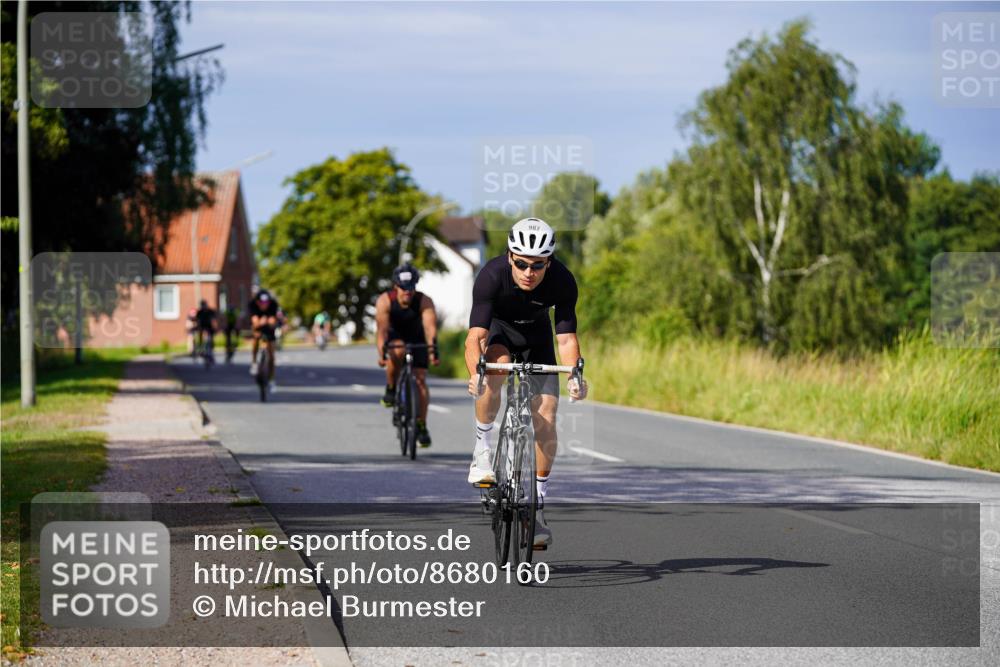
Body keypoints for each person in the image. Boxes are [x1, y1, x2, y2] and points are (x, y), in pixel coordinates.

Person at [465, 217, 588, 548]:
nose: (528, 272)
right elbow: (474, 337)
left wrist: (575, 374)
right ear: (509, 256)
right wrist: (475, 372)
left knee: (547, 413)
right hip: (500, 332)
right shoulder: (491, 275)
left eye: (537, 265)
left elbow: (565, 339)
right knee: (496, 369)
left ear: (549, 261)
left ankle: (537, 508)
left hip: (537, 337)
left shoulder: (562, 281)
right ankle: (482, 451)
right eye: (520, 263)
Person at [375, 263, 439, 447]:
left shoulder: (424, 301)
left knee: (420, 380)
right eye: (403, 288)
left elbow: (430, 328)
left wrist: (434, 351)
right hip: (394, 336)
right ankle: (391, 387)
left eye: (411, 288)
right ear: (396, 286)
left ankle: (421, 424)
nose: (407, 292)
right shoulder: (385, 301)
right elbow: (382, 331)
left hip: (417, 337)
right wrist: (382, 354)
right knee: (397, 350)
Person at [248, 289, 280, 393]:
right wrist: (260, 322)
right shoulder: (253, 305)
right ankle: (254, 362)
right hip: (258, 327)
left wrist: (270, 322)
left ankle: (271, 379)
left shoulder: (273, 305)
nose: (264, 305)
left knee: (271, 355)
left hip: (269, 328)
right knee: (256, 337)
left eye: (266, 303)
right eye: (262, 303)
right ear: (257, 302)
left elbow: (273, 322)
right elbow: (255, 323)